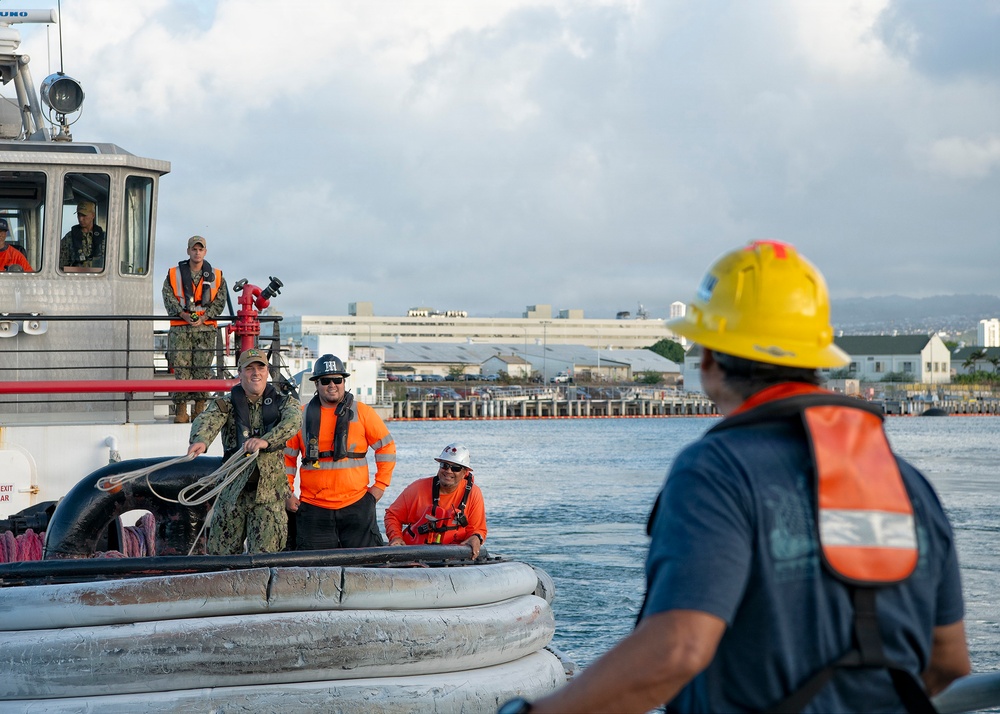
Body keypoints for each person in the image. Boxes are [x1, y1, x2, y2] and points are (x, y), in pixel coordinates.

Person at [516, 240, 970, 714]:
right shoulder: (909, 484)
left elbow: (678, 650)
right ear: (816, 360)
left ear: (710, 360)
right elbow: (949, 664)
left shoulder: (716, 471)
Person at [186, 348, 300, 555]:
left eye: (260, 368)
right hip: (232, 494)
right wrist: (200, 440)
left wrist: (265, 441)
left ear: (267, 372)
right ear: (240, 373)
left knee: (266, 557)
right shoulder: (226, 404)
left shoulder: (284, 402)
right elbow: (207, 419)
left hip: (269, 496)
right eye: (249, 369)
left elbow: (293, 422)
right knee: (221, 555)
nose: (256, 373)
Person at [284, 354, 396, 549]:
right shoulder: (301, 416)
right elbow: (286, 459)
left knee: (365, 563)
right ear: (316, 384)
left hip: (357, 506)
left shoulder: (363, 413)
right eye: (325, 381)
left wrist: (380, 486)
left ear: (344, 382)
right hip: (313, 509)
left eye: (337, 380)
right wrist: (288, 493)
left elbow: (386, 447)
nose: (332, 385)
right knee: (311, 565)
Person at [162, 235, 228, 423]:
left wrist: (205, 317)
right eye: (194, 249)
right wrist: (182, 314)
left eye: (200, 249)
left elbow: (220, 301)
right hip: (180, 330)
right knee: (181, 372)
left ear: (205, 252)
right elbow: (168, 296)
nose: (197, 252)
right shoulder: (173, 274)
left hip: (205, 331)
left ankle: (199, 410)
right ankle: (181, 411)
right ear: (188, 251)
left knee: (202, 371)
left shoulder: (217, 276)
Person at [385, 443, 487, 559]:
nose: (448, 471)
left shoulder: (473, 493)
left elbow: (478, 529)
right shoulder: (417, 488)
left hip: (454, 560)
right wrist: (396, 538)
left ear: (465, 472)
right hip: (414, 557)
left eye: (456, 468)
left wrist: (476, 538)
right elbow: (392, 515)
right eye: (444, 465)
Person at [59, 201, 106, 269]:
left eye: (84, 215)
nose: (80, 219)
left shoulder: (104, 237)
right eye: (79, 215)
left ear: (93, 215)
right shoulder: (69, 237)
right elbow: (59, 265)